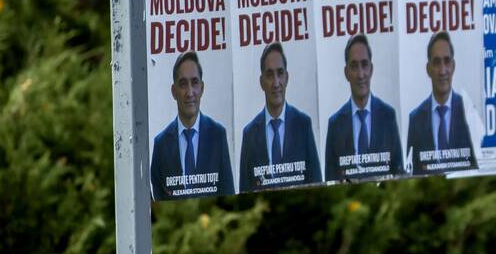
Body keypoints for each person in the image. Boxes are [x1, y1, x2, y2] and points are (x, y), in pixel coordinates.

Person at [150, 52, 235, 200]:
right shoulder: (161, 144)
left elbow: (228, 192)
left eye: (194, 82)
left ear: (202, 88)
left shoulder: (218, 135)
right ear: (173, 91)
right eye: (183, 84)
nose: (190, 93)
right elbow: (157, 199)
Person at [239, 43, 322, 192]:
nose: (276, 83)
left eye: (280, 73)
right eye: (270, 75)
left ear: (287, 77)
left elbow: (315, 181)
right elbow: (244, 190)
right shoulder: (249, 133)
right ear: (261, 82)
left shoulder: (303, 125)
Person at [324, 34, 404, 181]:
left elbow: (398, 172)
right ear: (346, 72)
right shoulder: (335, 124)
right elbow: (330, 179)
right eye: (354, 66)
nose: (361, 74)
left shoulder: (388, 116)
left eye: (364, 65)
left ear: (371, 69)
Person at [405, 31, 477, 175]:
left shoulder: (469, 111)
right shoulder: (415, 119)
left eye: (447, 61)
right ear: (428, 69)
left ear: (453, 66)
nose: (443, 70)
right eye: (437, 62)